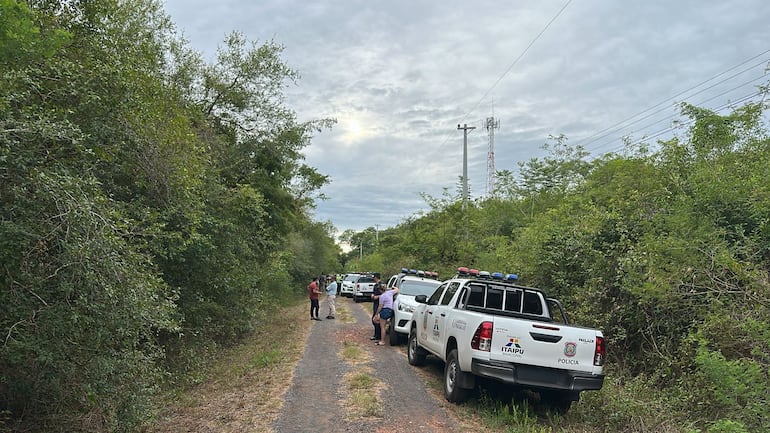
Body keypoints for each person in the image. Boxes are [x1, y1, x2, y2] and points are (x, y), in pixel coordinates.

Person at [370, 273, 384, 341]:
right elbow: (374, 293)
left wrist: (376, 297)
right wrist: (372, 295)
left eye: (374, 277)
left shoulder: (381, 285)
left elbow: (384, 294)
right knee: (374, 319)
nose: (373, 279)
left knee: (377, 319)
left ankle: (378, 336)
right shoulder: (376, 285)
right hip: (375, 303)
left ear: (376, 277)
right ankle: (376, 335)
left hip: (379, 303)